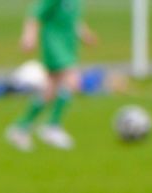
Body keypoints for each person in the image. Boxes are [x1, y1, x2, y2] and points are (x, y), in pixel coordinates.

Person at [6, 0, 98, 151]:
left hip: (68, 45)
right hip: (54, 44)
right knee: (72, 81)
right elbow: (35, 15)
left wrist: (85, 34)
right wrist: (29, 36)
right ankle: (52, 126)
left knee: (50, 90)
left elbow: (73, 20)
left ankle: (21, 127)